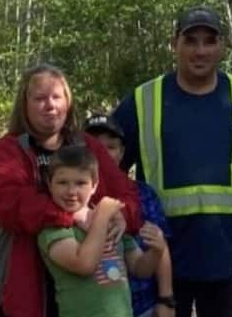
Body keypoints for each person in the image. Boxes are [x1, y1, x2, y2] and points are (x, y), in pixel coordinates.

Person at [112, 5, 232, 317]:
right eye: (191, 40)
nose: (200, 50)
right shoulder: (143, 100)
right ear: (174, 44)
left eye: (209, 41)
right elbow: (109, 170)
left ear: (222, 46)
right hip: (162, 259)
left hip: (230, 258)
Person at [0, 63, 141, 317]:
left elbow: (125, 191)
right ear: (25, 104)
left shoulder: (86, 145)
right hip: (24, 284)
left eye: (56, 97)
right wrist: (77, 216)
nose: (50, 105)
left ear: (68, 102)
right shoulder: (6, 151)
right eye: (40, 98)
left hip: (88, 294)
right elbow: (11, 204)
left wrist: (124, 215)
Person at [38, 145, 166, 317]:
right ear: (49, 184)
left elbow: (139, 268)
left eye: (81, 183)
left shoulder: (112, 222)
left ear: (94, 185)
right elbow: (84, 264)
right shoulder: (54, 227)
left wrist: (157, 250)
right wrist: (102, 216)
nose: (71, 191)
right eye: (62, 182)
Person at [83, 114, 174, 317]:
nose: (102, 153)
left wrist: (166, 300)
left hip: (142, 306)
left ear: (122, 152)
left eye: (111, 147)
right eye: (95, 146)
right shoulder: (72, 196)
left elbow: (159, 245)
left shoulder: (142, 194)